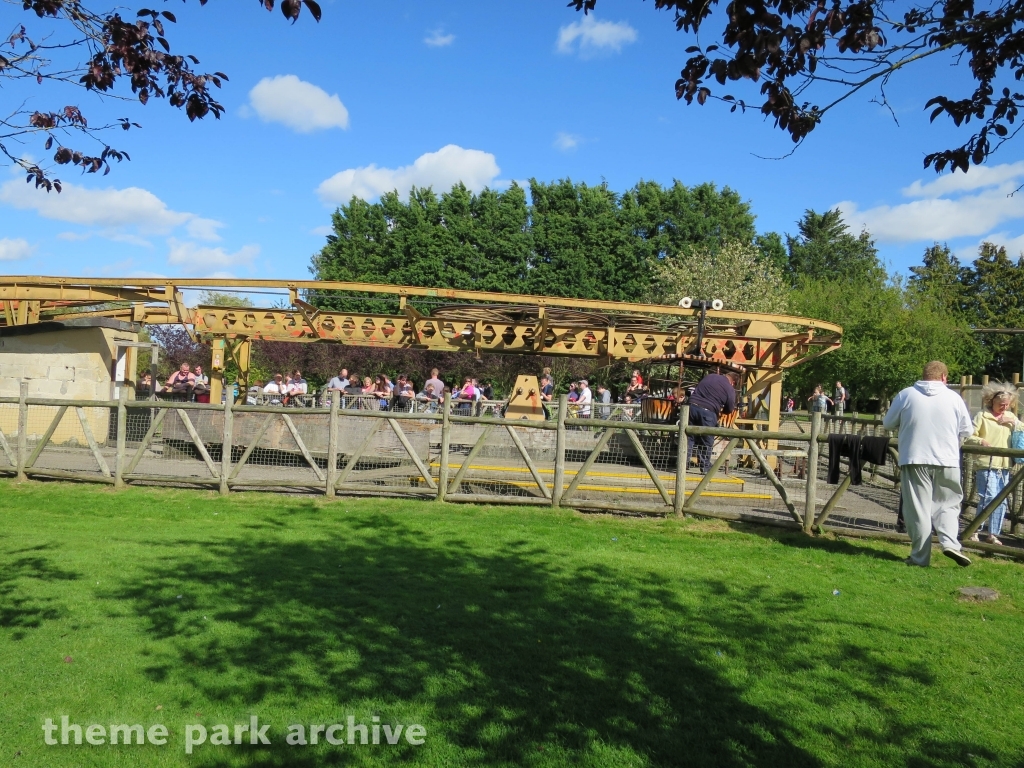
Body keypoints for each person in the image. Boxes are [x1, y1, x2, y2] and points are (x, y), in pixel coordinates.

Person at [882, 360, 973, 567]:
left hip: (915, 457)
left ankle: (919, 558)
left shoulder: (906, 394)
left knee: (918, 509)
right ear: (944, 377)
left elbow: (887, 423)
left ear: (923, 375)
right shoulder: (954, 398)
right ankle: (950, 543)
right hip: (948, 459)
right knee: (949, 504)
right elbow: (967, 430)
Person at [964, 382, 1020, 545]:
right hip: (985, 463)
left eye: (1007, 405)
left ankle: (992, 534)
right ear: (991, 401)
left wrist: (1014, 423)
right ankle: (975, 530)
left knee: (1001, 500)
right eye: (1001, 404)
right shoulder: (981, 415)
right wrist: (981, 441)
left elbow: (1022, 432)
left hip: (1004, 466)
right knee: (988, 497)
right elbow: (969, 436)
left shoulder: (1011, 417)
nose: (1004, 407)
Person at [687, 370, 738, 474]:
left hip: (691, 407)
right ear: (733, 382)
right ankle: (705, 467)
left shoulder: (710, 376)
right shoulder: (729, 388)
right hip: (708, 412)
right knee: (706, 440)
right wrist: (721, 411)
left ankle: (683, 463)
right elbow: (730, 408)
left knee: (689, 437)